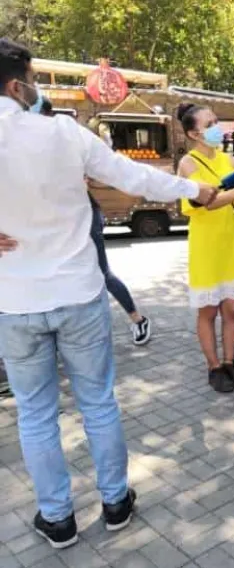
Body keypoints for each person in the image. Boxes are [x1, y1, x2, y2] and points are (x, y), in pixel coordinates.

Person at [0, 38, 218, 548]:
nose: (36, 87)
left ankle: (57, 518)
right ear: (15, 85)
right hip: (79, 293)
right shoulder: (63, 133)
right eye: (32, 79)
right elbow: (132, 176)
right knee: (97, 403)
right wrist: (196, 190)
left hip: (15, 303)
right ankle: (116, 502)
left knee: (36, 414)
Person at [41, 99, 152, 345]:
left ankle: (138, 319)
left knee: (101, 272)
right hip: (51, 222)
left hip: (85, 215)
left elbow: (106, 170)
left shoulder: (68, 140)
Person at [176, 103, 234, 393]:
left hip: (231, 243)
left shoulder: (229, 159)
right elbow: (208, 201)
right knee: (208, 312)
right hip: (206, 247)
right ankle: (213, 367)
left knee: (232, 310)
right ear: (194, 134)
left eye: (216, 121)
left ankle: (230, 363)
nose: (217, 128)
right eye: (209, 124)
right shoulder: (188, 164)